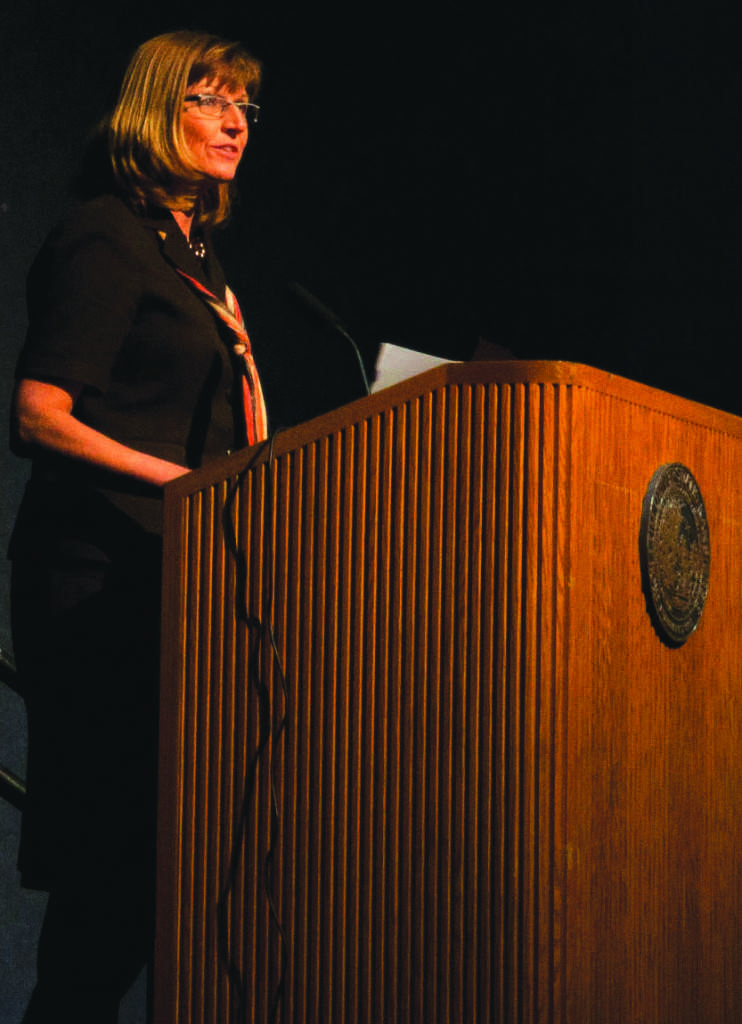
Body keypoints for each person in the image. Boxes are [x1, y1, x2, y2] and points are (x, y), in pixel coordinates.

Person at [9, 30, 267, 1022]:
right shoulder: (107, 237)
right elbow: (38, 413)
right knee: (112, 886)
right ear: (154, 112)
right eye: (208, 98)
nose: (234, 119)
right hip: (101, 590)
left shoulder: (201, 267)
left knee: (158, 888)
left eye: (243, 104)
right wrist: (182, 484)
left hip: (177, 590)